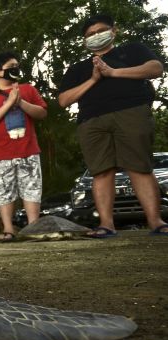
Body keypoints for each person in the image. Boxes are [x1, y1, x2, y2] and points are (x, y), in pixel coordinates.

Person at [58, 14, 167, 237]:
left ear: (113, 31)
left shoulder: (133, 50)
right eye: (90, 34)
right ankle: (106, 225)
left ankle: (156, 222)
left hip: (131, 112)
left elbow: (156, 68)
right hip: (91, 120)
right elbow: (64, 100)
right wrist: (94, 79)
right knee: (101, 171)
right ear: (84, 41)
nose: (96, 36)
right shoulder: (78, 68)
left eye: (101, 31)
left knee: (139, 167)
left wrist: (113, 72)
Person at [0, 51, 48, 242]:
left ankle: (33, 228)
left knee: (31, 188)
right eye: (10, 67)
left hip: (28, 149)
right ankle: (9, 229)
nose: (15, 69)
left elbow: (41, 113)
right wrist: (8, 104)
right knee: (3, 191)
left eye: (17, 65)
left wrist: (20, 101)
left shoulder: (28, 89)